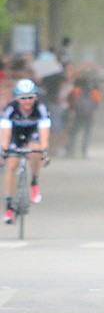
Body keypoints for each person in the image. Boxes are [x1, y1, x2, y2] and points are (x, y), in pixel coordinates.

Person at [0, 79, 50, 223]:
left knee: (35, 150)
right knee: (11, 166)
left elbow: (44, 134)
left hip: (33, 134)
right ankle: (9, 207)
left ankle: (34, 181)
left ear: (35, 97)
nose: (27, 101)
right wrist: (3, 150)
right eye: (23, 98)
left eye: (30, 97)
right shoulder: (10, 109)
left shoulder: (41, 109)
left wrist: (45, 151)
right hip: (15, 135)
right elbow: (5, 134)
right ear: (17, 98)